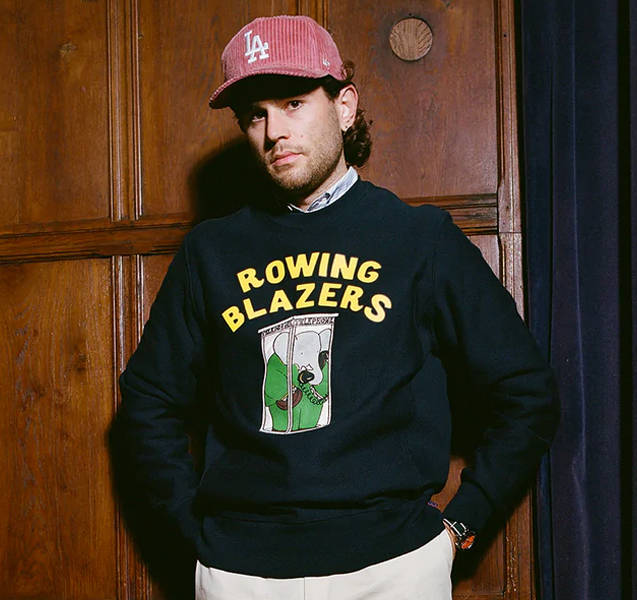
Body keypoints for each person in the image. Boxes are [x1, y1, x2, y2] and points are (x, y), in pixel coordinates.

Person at [117, 14, 557, 600]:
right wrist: (199, 540)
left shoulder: (418, 239)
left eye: (293, 103)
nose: (274, 132)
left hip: (392, 568)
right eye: (255, 114)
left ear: (345, 107)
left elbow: (526, 391)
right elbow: (147, 403)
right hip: (241, 572)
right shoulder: (210, 252)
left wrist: (461, 526)